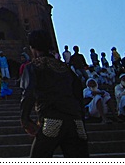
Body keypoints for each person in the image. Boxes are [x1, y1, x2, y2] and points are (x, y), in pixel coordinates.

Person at [20, 30, 89, 158]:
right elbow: (78, 94)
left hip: (52, 120)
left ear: (33, 48)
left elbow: (28, 93)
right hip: (76, 122)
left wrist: (25, 120)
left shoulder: (34, 66)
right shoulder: (66, 68)